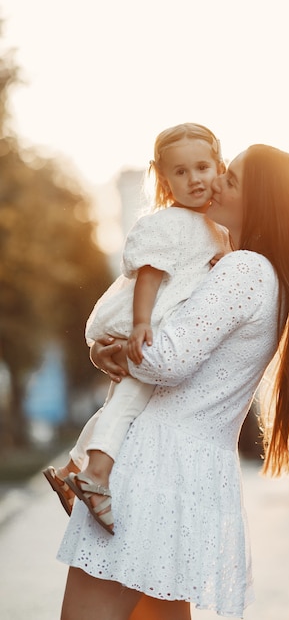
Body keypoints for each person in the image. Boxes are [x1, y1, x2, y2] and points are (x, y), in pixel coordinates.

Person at [57, 143, 289, 620]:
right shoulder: (258, 275)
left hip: (155, 468)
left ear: (262, 201)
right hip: (185, 473)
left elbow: (164, 359)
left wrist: (110, 348)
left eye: (234, 178)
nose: (218, 180)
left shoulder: (245, 270)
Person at [43, 123, 230, 534]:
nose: (194, 179)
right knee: (131, 397)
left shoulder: (219, 228)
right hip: (148, 323)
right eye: (180, 172)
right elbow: (149, 275)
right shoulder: (168, 223)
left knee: (119, 402)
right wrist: (142, 323)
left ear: (219, 165)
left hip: (163, 324)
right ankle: (96, 476)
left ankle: (71, 470)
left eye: (202, 167)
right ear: (164, 178)